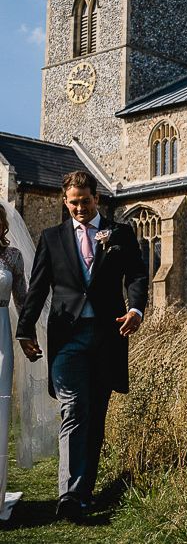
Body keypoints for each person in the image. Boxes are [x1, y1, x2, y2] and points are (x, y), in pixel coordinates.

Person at [16, 171, 148, 522]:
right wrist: (25, 329)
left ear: (97, 198)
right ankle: (70, 495)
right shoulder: (52, 237)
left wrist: (135, 308)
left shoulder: (119, 234)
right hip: (68, 337)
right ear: (65, 201)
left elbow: (136, 274)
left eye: (85, 201)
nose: (79, 208)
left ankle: (84, 491)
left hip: (109, 336)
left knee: (95, 416)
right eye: (73, 202)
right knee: (74, 408)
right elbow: (38, 286)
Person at [0, 203, 25, 519]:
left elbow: (24, 299)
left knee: (0, 411)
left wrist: (29, 333)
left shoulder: (13, 257)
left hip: (1, 335)